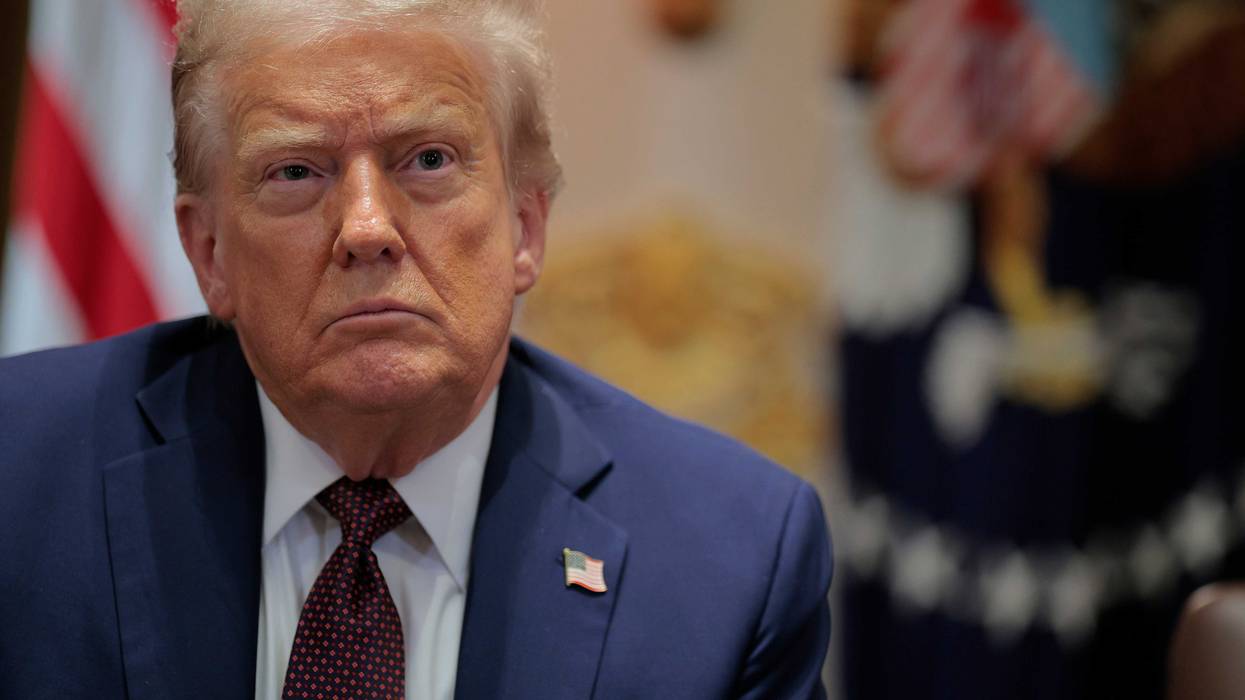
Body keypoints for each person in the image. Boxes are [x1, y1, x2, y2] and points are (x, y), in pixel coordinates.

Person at [0, 1, 832, 698]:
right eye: (296, 172)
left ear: (525, 226)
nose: (367, 229)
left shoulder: (729, 565)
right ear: (209, 252)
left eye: (428, 160)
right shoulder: (19, 473)